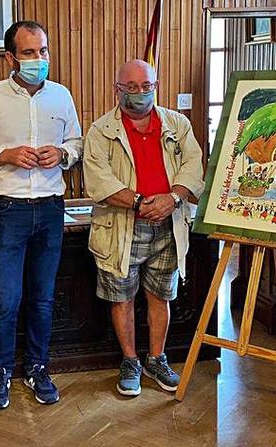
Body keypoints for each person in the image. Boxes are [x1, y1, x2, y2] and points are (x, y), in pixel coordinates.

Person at [0, 20, 83, 409]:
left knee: (43, 297)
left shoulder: (61, 96)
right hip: (8, 209)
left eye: (43, 51)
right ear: (10, 57)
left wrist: (63, 154)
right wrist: (4, 155)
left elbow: (77, 142)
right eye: (29, 53)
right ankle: (0, 371)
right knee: (4, 298)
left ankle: (37, 367)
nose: (39, 59)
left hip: (50, 207)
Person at [82, 60, 205, 396]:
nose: (139, 93)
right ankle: (131, 360)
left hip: (168, 224)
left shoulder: (177, 124)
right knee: (121, 298)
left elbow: (194, 167)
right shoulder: (100, 130)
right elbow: (98, 180)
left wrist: (173, 198)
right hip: (122, 227)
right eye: (131, 87)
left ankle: (156, 358)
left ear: (156, 85)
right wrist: (139, 203)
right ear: (117, 89)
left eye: (146, 86)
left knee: (160, 295)